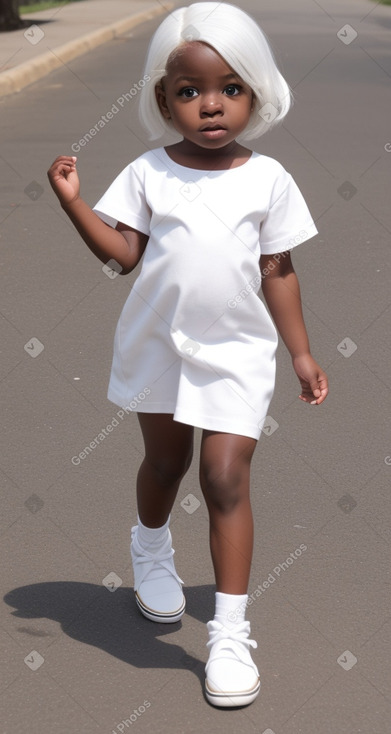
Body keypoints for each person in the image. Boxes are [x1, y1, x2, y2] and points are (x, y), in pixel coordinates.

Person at [48, 1, 328, 709]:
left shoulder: (266, 179)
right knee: (167, 463)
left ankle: (229, 633)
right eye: (189, 91)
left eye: (230, 89)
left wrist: (299, 353)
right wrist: (76, 204)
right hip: (157, 346)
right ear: (163, 100)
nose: (210, 105)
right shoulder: (148, 173)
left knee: (224, 475)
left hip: (237, 353)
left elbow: (278, 270)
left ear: (255, 93)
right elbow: (123, 257)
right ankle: (150, 548)